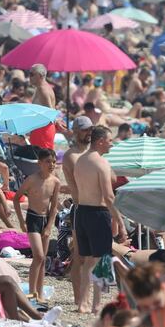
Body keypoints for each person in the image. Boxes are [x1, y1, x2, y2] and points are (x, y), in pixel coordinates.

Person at [71, 126, 127, 313]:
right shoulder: (100, 163)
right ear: (101, 141)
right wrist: (119, 221)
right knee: (102, 260)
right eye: (110, 140)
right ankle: (96, 304)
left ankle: (83, 303)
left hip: (82, 212)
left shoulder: (80, 161)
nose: (112, 143)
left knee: (88, 261)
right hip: (98, 213)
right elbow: (109, 197)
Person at [14, 148, 61, 303]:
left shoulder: (55, 182)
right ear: (39, 163)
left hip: (45, 219)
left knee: (42, 260)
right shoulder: (32, 179)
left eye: (53, 161)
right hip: (33, 218)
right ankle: (32, 292)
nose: (51, 165)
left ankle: (39, 294)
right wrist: (21, 220)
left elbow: (54, 207)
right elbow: (16, 198)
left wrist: (49, 227)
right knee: (38, 256)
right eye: (48, 161)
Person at [62, 116, 93, 309]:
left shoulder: (93, 153)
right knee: (80, 256)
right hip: (81, 208)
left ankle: (85, 296)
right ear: (75, 131)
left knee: (91, 257)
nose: (88, 133)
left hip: (95, 207)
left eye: (90, 129)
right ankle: (78, 298)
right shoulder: (71, 156)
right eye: (84, 130)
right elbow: (83, 181)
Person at [29, 64, 58, 150]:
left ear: (40, 75)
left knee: (42, 159)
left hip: (43, 129)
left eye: (32, 74)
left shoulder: (42, 89)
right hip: (41, 128)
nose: (29, 77)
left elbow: (51, 113)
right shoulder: (42, 88)